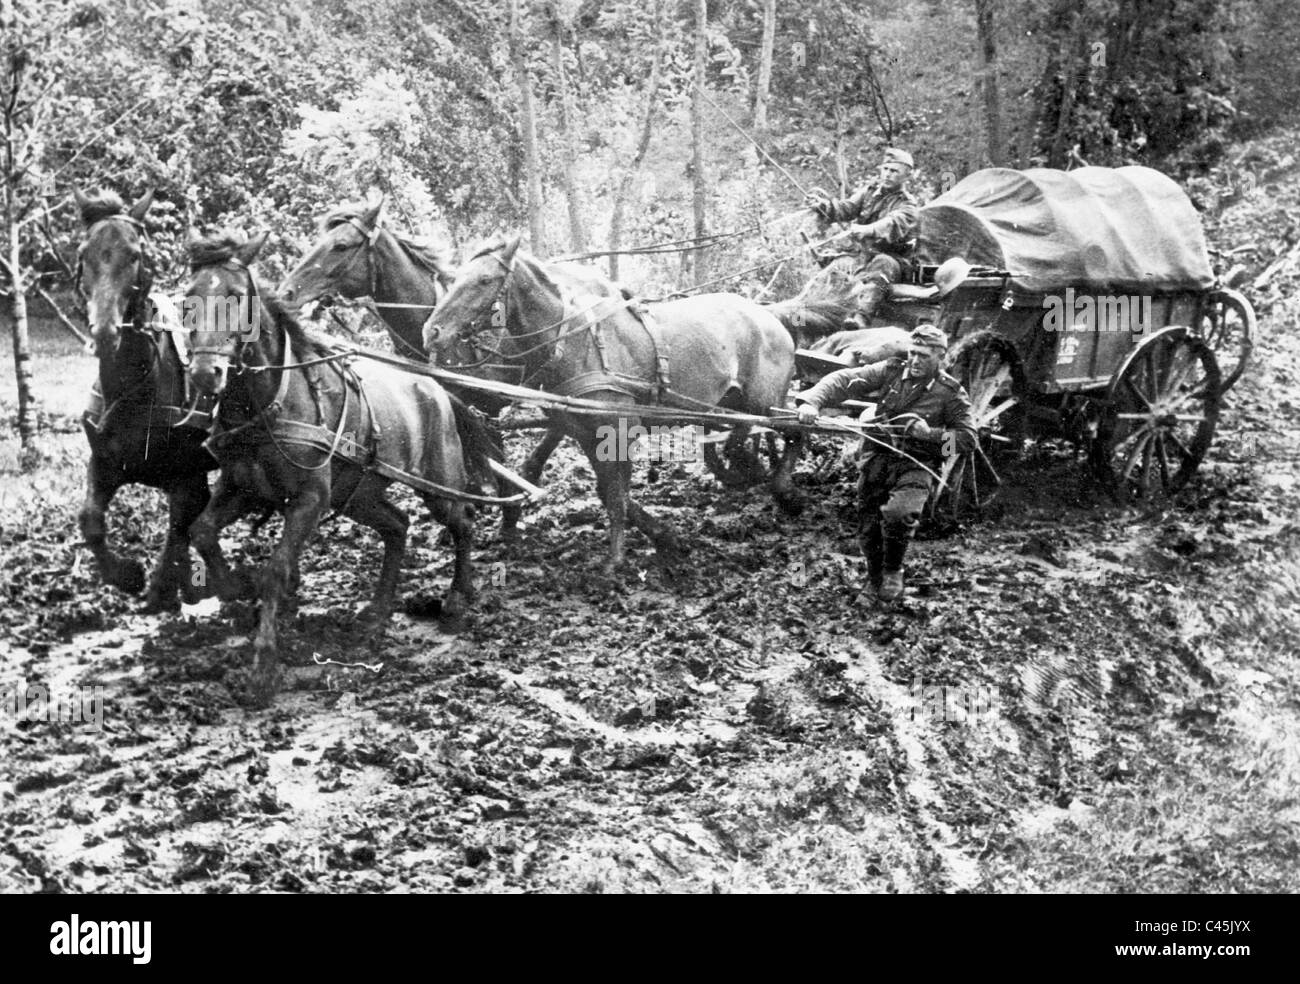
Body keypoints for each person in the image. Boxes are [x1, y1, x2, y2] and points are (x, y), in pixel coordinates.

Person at [795, 324, 977, 603]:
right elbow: (846, 379)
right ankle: (875, 577)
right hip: (877, 459)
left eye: (924, 356)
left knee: (898, 514)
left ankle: (893, 571)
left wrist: (931, 435)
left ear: (940, 357)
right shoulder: (890, 372)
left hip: (916, 463)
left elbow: (966, 440)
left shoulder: (950, 393)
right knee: (868, 527)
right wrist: (812, 402)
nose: (915, 361)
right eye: (913, 353)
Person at [806, 147, 920, 330]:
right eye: (886, 169)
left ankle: (860, 317)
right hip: (863, 256)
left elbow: (891, 223)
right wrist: (824, 207)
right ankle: (806, 315)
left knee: (881, 265)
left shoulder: (908, 205)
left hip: (894, 261)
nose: (888, 175)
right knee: (835, 268)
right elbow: (847, 208)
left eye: (894, 171)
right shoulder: (870, 192)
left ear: (907, 176)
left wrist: (868, 230)